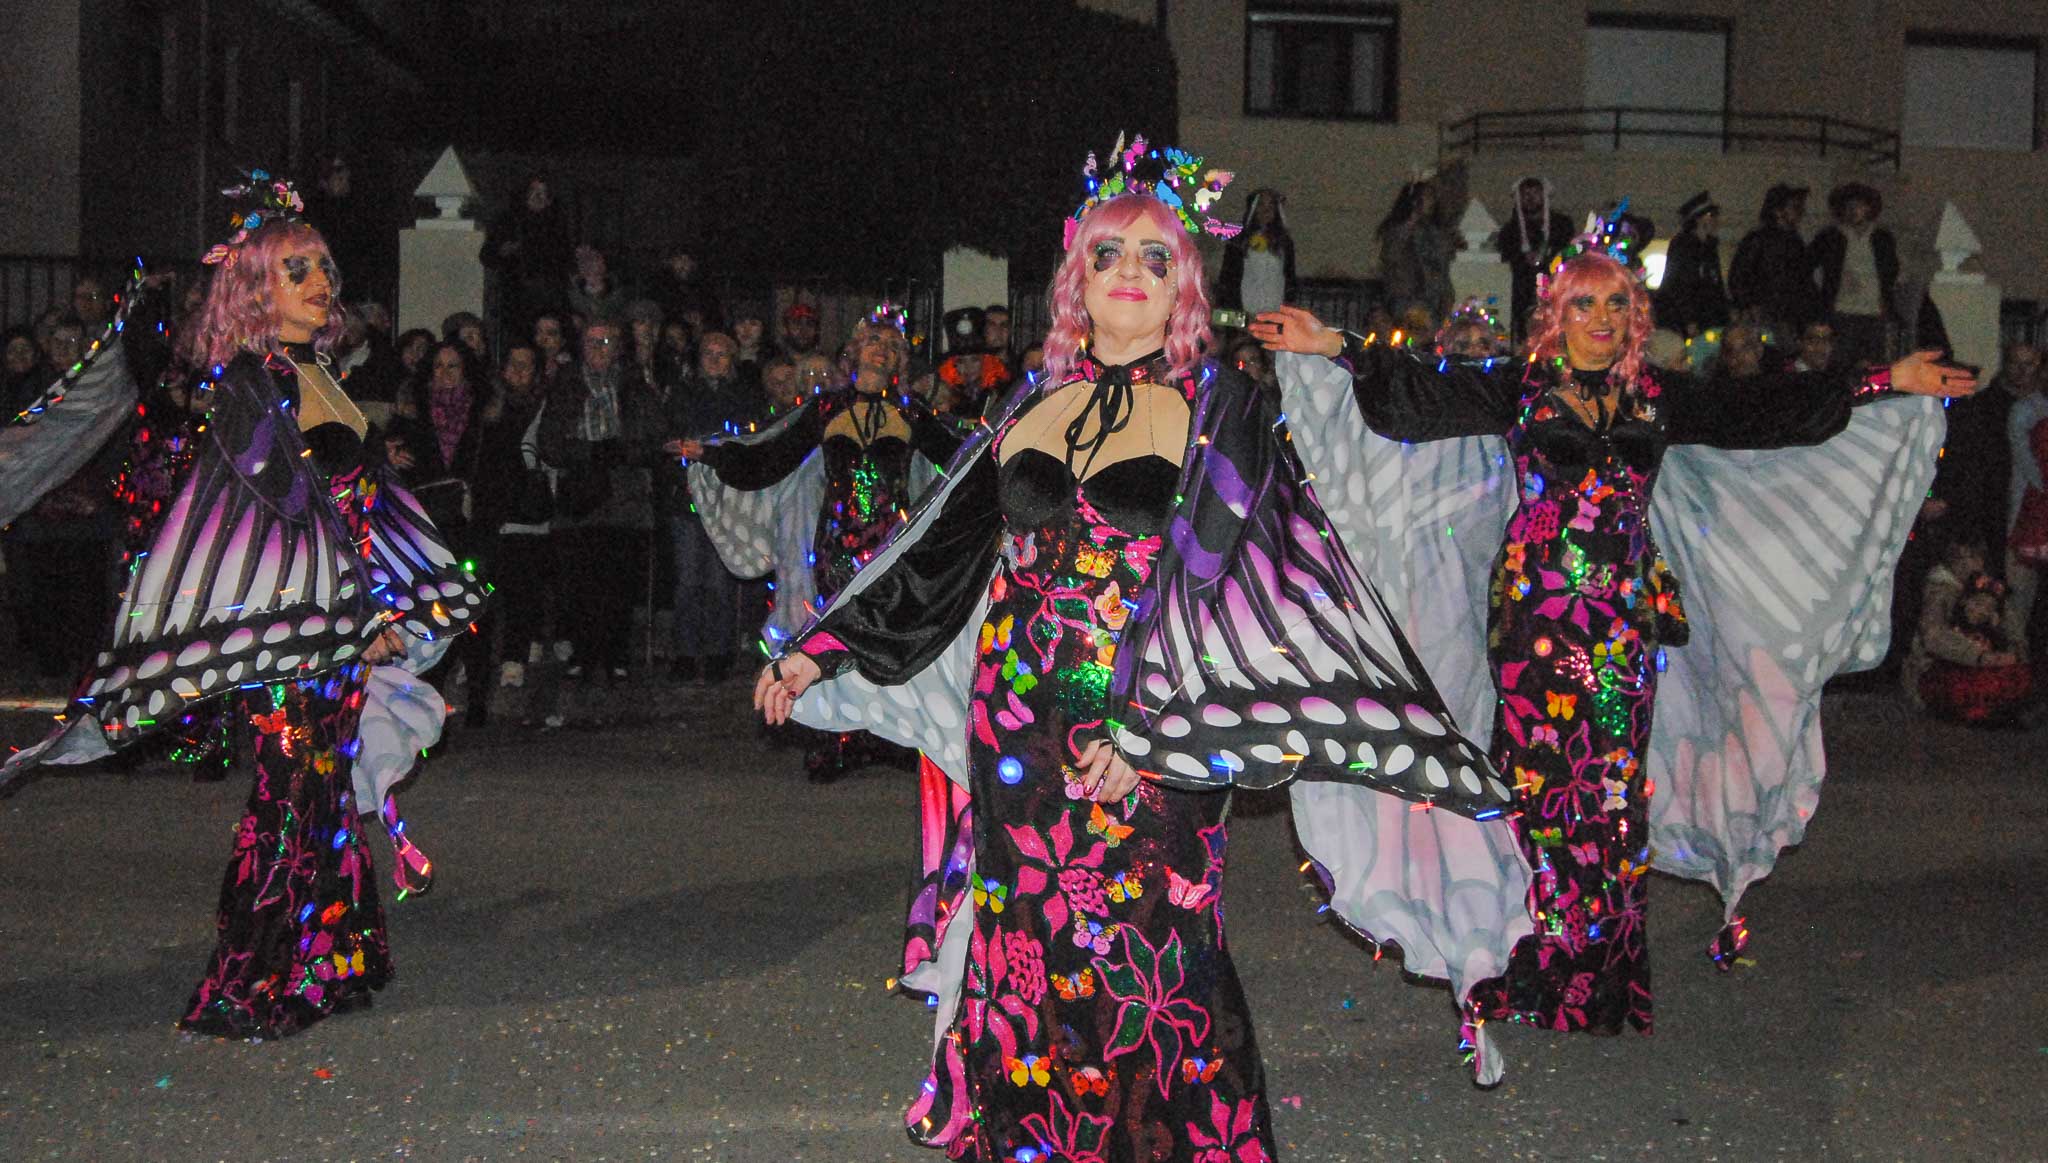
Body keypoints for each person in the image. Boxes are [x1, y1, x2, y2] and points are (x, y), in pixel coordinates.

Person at [752, 137, 1522, 1157]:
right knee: (1026, 936)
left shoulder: (1221, 406)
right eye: (1110, 253)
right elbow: (938, 546)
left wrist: (1153, 727)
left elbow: (1223, 581)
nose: (1130, 273)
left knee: (1154, 946)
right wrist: (821, 647)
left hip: (1156, 709)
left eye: (1155, 258)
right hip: (1018, 714)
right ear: (1078, 277)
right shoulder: (1029, 404)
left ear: (1183, 288)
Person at [1257, 211, 1972, 1050]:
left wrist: (1884, 380)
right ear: (1556, 313)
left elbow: (1765, 409)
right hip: (1534, 623)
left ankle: (1602, 974)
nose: (1601, 318)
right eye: (1585, 303)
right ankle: (1535, 962)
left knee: (1611, 793)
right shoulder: (1518, 387)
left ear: (1637, 316)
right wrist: (1333, 344)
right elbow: (1414, 391)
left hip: (1622, 625)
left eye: (1618, 304)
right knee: (1537, 793)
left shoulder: (1659, 397)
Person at [0, 172, 485, 1036]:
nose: (320, 284)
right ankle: (250, 981)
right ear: (256, 287)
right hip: (302, 632)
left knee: (326, 789)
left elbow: (362, 496)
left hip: (338, 629)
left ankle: (328, 959)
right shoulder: (254, 385)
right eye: (296, 269)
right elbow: (286, 513)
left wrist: (406, 588)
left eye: (324, 268)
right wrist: (355, 617)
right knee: (291, 792)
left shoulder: (310, 368)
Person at [681, 304, 964, 780]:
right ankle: (834, 739)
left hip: (890, 546)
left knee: (883, 638)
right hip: (835, 545)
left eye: (890, 347)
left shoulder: (911, 413)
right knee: (830, 640)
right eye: (873, 342)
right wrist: (709, 453)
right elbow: (771, 457)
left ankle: (888, 736)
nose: (880, 351)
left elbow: (957, 456)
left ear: (898, 361)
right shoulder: (826, 408)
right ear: (854, 352)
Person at [536, 316, 661, 683]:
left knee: (620, 580)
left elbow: (656, 435)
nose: (598, 350)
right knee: (580, 580)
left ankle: (617, 651)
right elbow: (550, 442)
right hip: (581, 495)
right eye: (592, 342)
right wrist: (588, 454)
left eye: (606, 342)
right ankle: (584, 650)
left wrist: (622, 451)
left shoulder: (635, 385)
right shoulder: (566, 384)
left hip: (624, 495)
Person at [1902, 536, 2033, 725]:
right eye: (1967, 558)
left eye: (1977, 557)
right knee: (1964, 686)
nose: (1974, 564)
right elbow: (1934, 636)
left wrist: (2014, 652)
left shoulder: (1987, 587)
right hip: (1940, 664)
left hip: (1983, 656)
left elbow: (2013, 629)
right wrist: (1979, 655)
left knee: (2018, 675)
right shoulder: (1941, 591)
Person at [1809, 183, 1900, 369]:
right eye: (1849, 206)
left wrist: (1886, 301)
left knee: (1874, 366)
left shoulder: (1881, 237)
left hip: (1874, 313)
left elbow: (1891, 270)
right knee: (1841, 363)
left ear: (1869, 208)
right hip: (1842, 312)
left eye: (1859, 205)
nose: (1854, 211)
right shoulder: (1830, 237)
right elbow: (1806, 266)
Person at [481, 174, 574, 334]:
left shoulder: (557, 223)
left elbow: (564, 258)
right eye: (533, 190)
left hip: (549, 297)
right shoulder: (508, 221)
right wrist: (504, 251)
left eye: (542, 192)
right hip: (515, 297)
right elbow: (487, 255)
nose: (537, 196)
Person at [1728, 183, 1817, 338]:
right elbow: (1738, 277)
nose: (1800, 212)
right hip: (1764, 316)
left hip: (1789, 317)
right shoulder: (1757, 240)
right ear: (1777, 211)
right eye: (1794, 207)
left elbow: (1804, 279)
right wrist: (1750, 304)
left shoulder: (1795, 242)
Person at [1498, 177, 1576, 344]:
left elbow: (1568, 253)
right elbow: (1507, 256)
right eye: (1525, 194)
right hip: (1522, 293)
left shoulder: (1562, 225)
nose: (1530, 198)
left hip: (1555, 289)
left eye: (1535, 193)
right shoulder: (1510, 231)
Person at [1377, 177, 1457, 328]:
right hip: (1408, 297)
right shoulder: (1399, 228)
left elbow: (1442, 263)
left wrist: (1447, 296)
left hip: (1435, 298)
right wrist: (1411, 220)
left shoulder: (1434, 231)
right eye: (1427, 197)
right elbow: (1391, 255)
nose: (1431, 202)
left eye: (1432, 197)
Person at [1653, 191, 1730, 337]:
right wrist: (1689, 320)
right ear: (1700, 219)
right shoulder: (1683, 246)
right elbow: (1679, 285)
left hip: (1709, 321)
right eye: (1712, 216)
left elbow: (1715, 284)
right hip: (1684, 322)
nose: (1717, 221)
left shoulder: (1710, 248)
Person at [1216, 187, 1296, 318]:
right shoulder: (1238, 241)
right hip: (1243, 314)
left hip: (1274, 314)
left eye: (1271, 205)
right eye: (1261, 205)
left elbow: (1289, 277)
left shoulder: (1284, 242)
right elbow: (1228, 278)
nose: (1266, 210)